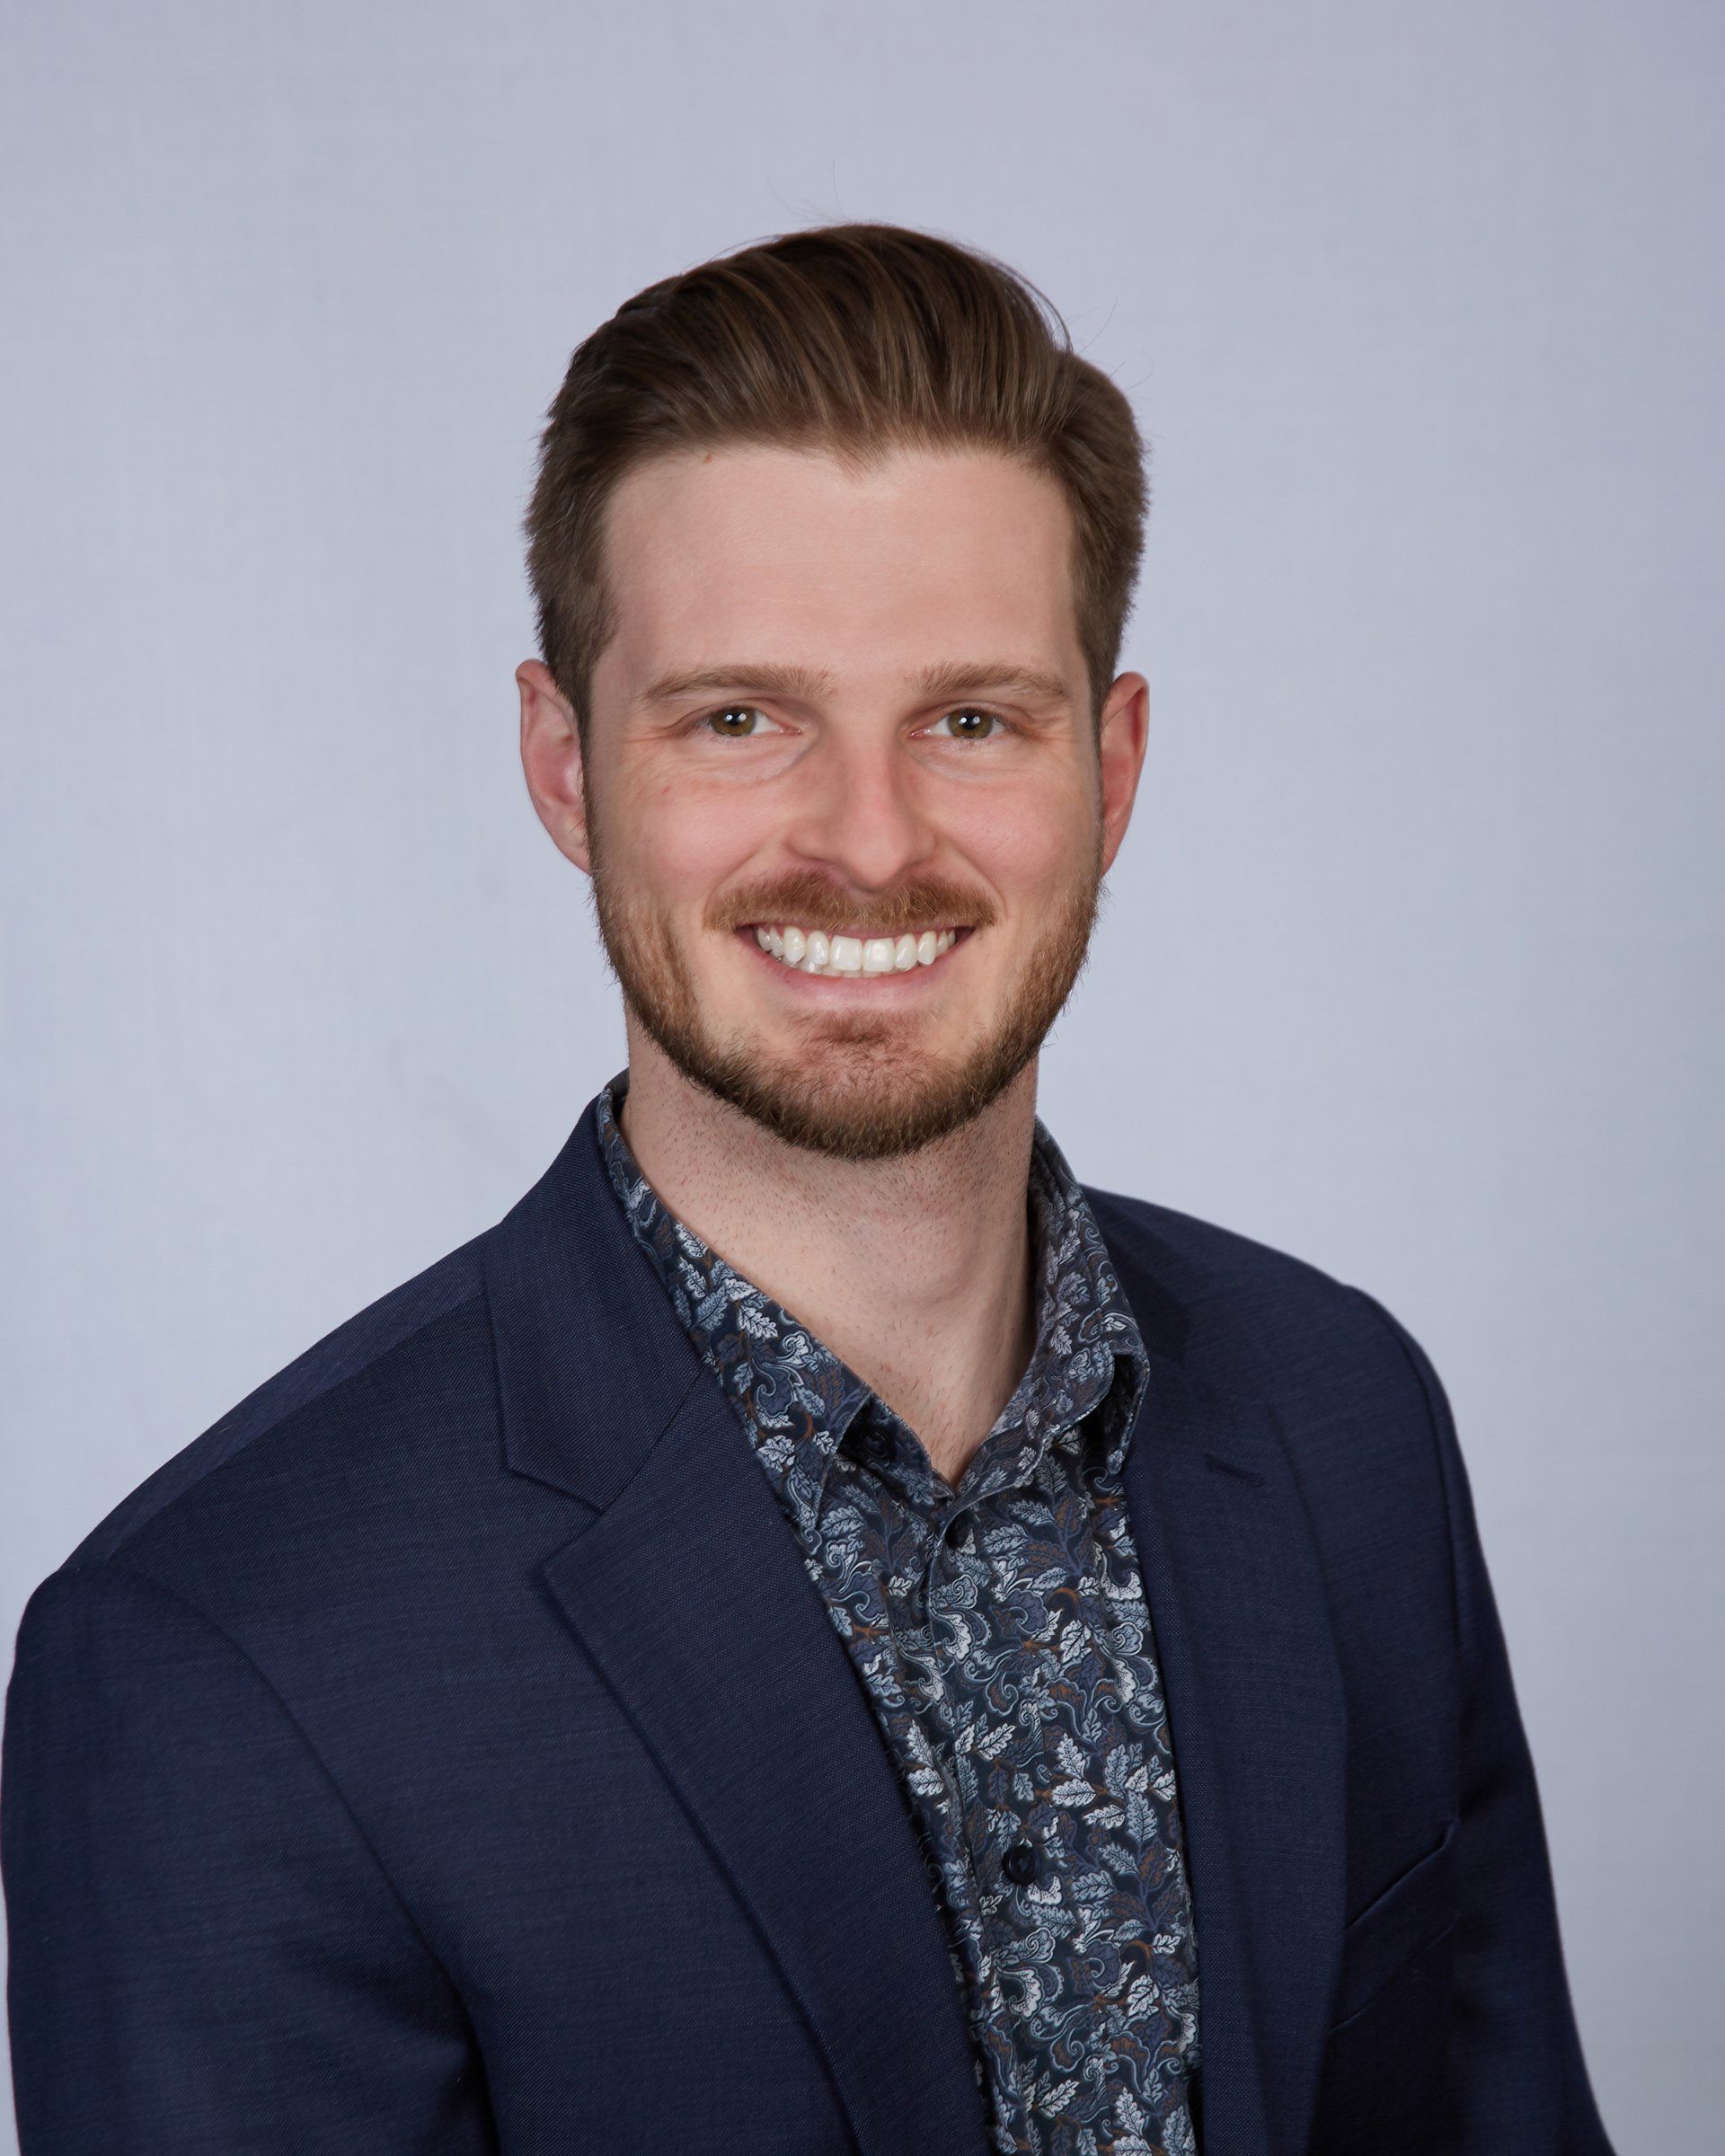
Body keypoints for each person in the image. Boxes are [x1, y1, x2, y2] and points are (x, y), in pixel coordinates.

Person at [1, 224, 1612, 2156]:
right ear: (566, 765)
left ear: (1111, 766)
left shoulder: (1345, 1418)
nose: (868, 841)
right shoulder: (214, 1663)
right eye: (741, 718)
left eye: (970, 719)